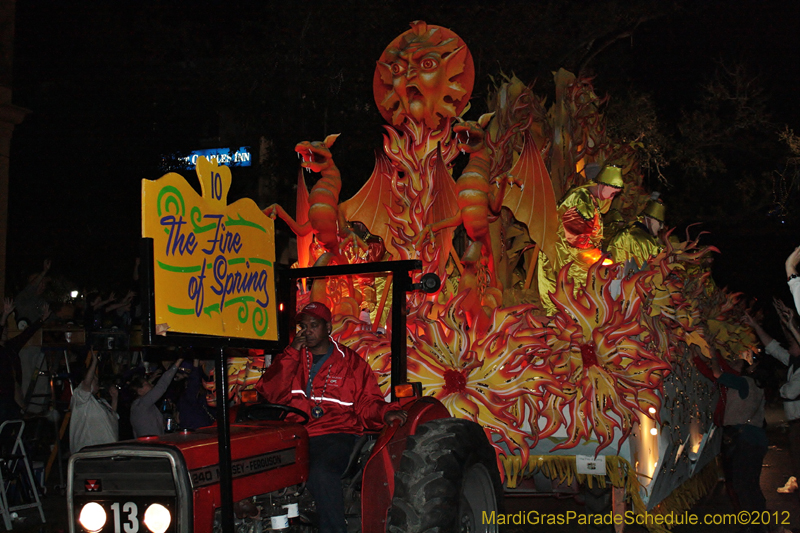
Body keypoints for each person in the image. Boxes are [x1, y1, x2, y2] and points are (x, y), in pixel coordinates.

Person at [256, 302, 407, 533]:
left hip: (336, 433)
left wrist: (386, 412)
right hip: (296, 433)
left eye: (313, 325)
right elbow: (270, 391)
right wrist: (291, 353)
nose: (307, 331)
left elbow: (368, 403)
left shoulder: (351, 362)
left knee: (322, 472)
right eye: (303, 326)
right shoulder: (292, 358)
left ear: (328, 327)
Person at [536, 164, 623, 313]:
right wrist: (599, 257)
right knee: (576, 300)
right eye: (613, 193)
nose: (612, 197)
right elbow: (576, 239)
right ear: (602, 185)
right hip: (566, 259)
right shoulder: (581, 201)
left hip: (575, 256)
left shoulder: (590, 200)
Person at [711, 352, 768, 532]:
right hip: (755, 438)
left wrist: (713, 354)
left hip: (746, 439)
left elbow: (717, 373)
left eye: (736, 362)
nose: (731, 364)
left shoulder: (743, 382)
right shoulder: (756, 386)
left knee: (742, 484)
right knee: (750, 483)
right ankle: (759, 522)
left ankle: (754, 524)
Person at [747, 300, 800, 493]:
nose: (789, 345)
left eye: (793, 343)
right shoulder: (794, 361)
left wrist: (784, 388)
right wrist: (756, 326)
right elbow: (773, 346)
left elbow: (790, 391)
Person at [0, 299, 50, 424]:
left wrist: (41, 320)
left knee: (14, 422)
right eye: (3, 329)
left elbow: (26, 334)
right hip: (2, 394)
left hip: (11, 391)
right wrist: (5, 314)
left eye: (6, 328)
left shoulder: (10, 346)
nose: (5, 331)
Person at [69, 349, 119, 453]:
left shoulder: (100, 402)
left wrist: (115, 399)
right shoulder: (80, 398)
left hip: (107, 450)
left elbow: (112, 416)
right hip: (90, 451)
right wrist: (94, 362)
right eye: (94, 380)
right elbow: (87, 384)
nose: (97, 382)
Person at [129, 358, 184, 437]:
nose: (151, 385)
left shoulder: (135, 407)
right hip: (152, 445)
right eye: (146, 384)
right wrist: (178, 362)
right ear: (140, 391)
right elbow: (162, 385)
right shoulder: (143, 404)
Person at [607, 194, 665, 268]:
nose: (661, 227)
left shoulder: (624, 232)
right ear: (650, 220)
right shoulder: (648, 242)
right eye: (660, 223)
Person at [176, 359, 214, 430]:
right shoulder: (187, 396)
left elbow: (177, 418)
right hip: (197, 430)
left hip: (197, 430)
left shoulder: (188, 395)